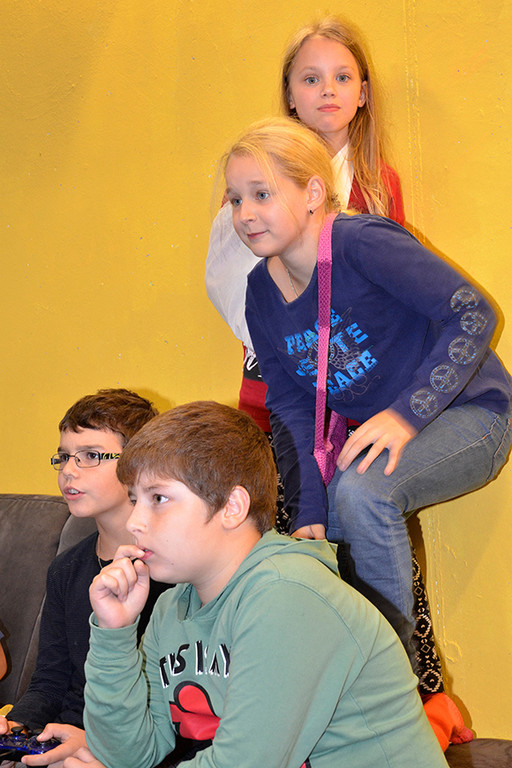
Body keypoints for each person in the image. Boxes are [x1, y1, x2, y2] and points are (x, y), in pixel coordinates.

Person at [205, 16, 444, 703]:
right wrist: (293, 354)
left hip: (366, 393)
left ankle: (410, 698)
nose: (328, 91)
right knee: (301, 537)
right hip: (283, 391)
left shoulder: (376, 182)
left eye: (343, 77)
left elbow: (390, 291)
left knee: (374, 524)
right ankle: (303, 700)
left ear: (364, 92)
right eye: (311, 79)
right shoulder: (255, 174)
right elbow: (233, 285)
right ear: (289, 93)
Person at [224, 117, 511, 679]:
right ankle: (342, 686)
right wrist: (308, 510)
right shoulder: (259, 293)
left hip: (472, 413)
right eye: (235, 199)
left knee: (361, 493)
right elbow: (290, 406)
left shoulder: (362, 242)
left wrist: (404, 417)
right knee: (318, 527)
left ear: (312, 192)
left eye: (262, 194)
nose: (245, 214)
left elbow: (474, 313)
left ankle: (394, 686)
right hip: (398, 431)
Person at [70, 401, 447, 768]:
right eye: (134, 500)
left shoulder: (288, 594)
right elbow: (127, 756)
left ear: (232, 507)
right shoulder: (172, 609)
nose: (134, 522)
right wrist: (114, 634)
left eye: (158, 498)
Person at [0, 388, 171, 768]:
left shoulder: (171, 569)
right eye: (63, 457)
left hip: (132, 745)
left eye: (91, 456)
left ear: (138, 464)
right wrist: (15, 728)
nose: (68, 471)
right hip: (63, 739)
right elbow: (49, 682)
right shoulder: (66, 569)